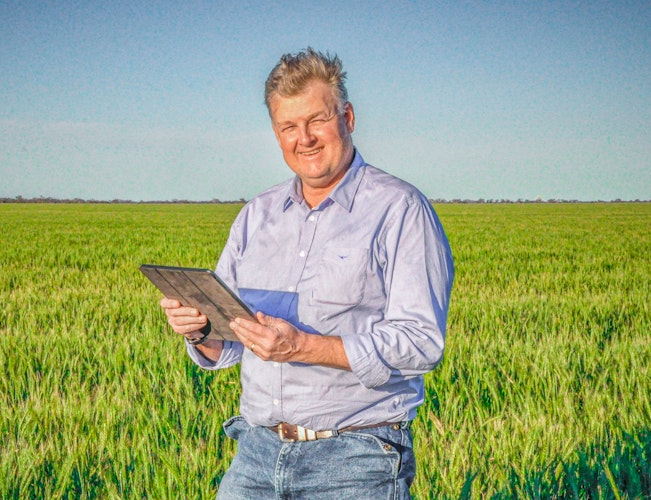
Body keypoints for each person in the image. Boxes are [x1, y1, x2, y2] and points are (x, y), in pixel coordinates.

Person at [159, 47, 454, 499]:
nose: (306, 138)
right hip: (255, 452)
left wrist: (301, 346)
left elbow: (420, 342)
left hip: (358, 456)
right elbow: (232, 345)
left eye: (317, 120)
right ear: (277, 134)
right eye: (289, 127)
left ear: (348, 117)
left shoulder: (400, 209)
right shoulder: (256, 216)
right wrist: (201, 331)